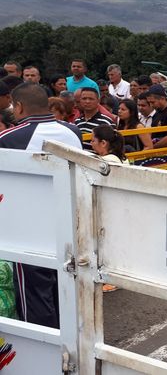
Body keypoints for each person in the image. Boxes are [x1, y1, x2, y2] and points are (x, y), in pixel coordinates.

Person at [0, 83, 82, 329]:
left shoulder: (10, 138)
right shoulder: (72, 131)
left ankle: (46, 356)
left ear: (20, 106)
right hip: (68, 223)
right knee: (64, 290)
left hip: (30, 230)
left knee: (34, 298)